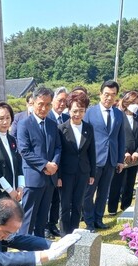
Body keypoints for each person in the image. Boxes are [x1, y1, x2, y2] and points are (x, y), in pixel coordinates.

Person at [17, 86, 61, 237]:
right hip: (33, 178)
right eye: (41, 104)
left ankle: (40, 245)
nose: (44, 108)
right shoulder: (24, 124)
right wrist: (45, 165)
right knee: (28, 216)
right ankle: (24, 245)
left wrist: (54, 164)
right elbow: (24, 151)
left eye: (48, 104)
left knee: (43, 216)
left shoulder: (52, 124)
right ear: (33, 103)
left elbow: (58, 147)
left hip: (49, 178)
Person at [82, 79, 125, 231]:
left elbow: (121, 138)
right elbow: (84, 138)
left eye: (113, 95)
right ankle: (89, 221)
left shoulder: (119, 114)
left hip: (111, 159)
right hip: (94, 160)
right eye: (106, 94)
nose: (109, 98)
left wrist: (120, 160)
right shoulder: (89, 113)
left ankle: (99, 219)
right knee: (88, 194)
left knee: (103, 192)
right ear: (100, 94)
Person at [58, 90, 96, 236]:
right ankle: (64, 234)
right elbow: (59, 154)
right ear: (69, 110)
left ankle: (74, 232)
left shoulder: (88, 128)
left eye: (81, 111)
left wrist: (92, 173)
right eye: (75, 111)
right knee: (65, 204)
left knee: (78, 203)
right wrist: (59, 176)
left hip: (83, 171)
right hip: (66, 173)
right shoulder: (62, 129)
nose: (77, 114)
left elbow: (91, 152)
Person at [107, 91, 138, 215]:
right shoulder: (119, 116)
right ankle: (112, 208)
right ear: (126, 102)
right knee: (116, 182)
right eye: (133, 102)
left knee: (130, 182)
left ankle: (126, 206)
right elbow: (115, 136)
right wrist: (124, 152)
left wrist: (137, 152)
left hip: (134, 156)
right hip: (121, 155)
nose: (135, 105)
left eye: (137, 103)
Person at [45, 86, 70, 238]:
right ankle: (45, 226)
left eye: (65, 101)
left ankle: (53, 224)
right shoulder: (47, 117)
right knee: (47, 198)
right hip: (49, 165)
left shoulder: (67, 118)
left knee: (57, 199)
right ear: (52, 100)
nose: (62, 104)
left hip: (63, 164)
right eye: (60, 100)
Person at [0, 101, 24, 202]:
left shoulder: (12, 139)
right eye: (1, 118)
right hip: (0, 194)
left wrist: (20, 187)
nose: (5, 122)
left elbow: (19, 164)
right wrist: (10, 190)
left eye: (8, 118)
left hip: (16, 192)